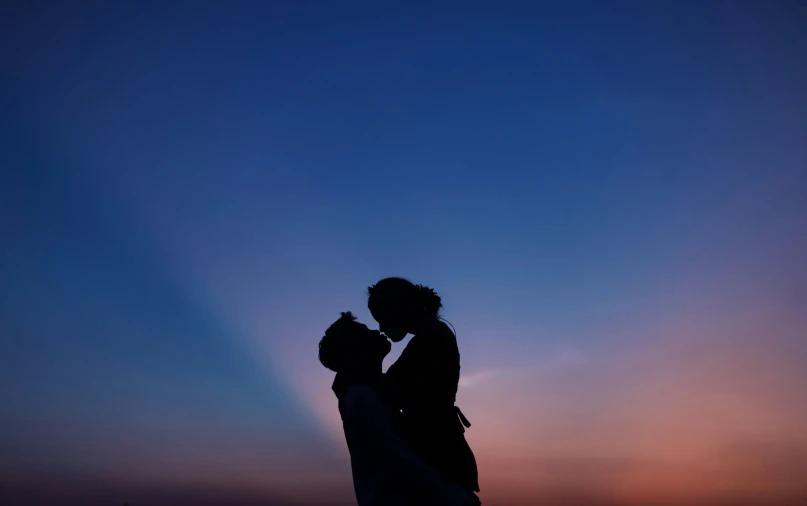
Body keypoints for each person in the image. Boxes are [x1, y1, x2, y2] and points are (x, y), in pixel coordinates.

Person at [318, 311, 481, 506]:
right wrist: (456, 498)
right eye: (364, 332)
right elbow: (397, 458)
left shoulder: (373, 392)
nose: (376, 331)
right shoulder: (361, 396)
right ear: (355, 349)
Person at [367, 278, 479, 493]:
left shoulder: (430, 340)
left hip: (437, 451)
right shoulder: (432, 336)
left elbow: (393, 389)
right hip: (441, 448)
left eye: (382, 319)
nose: (381, 328)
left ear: (397, 310)